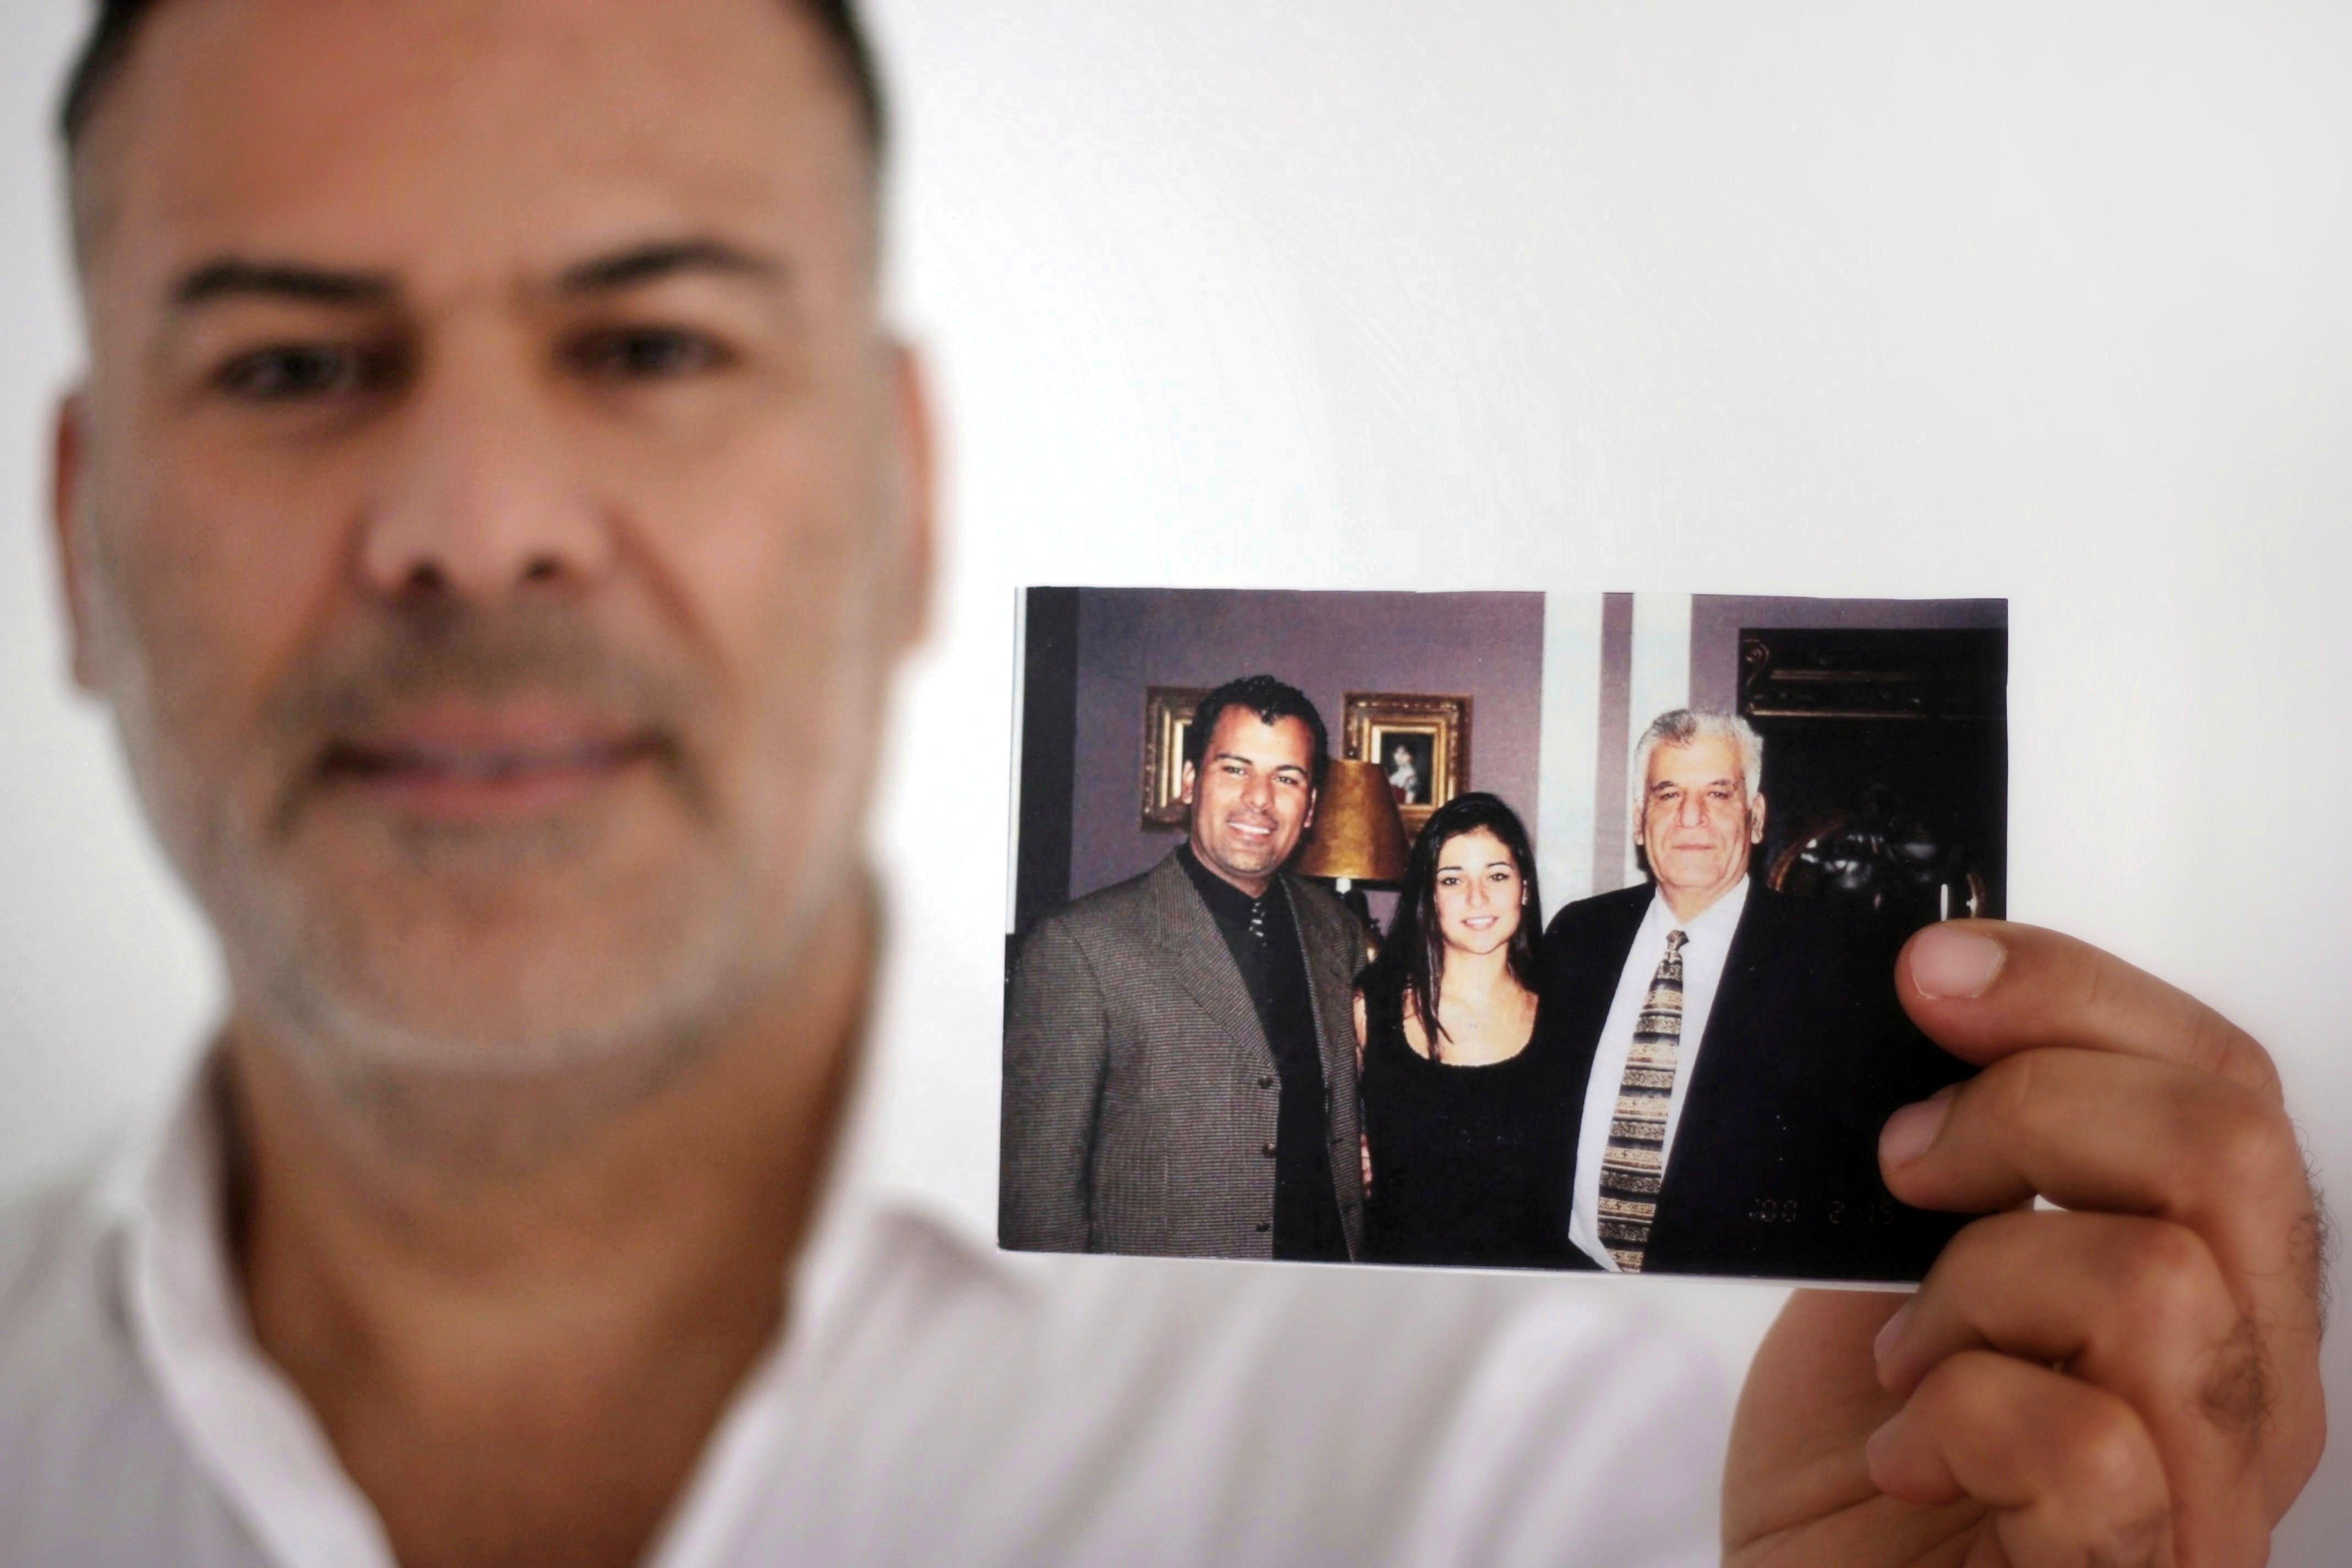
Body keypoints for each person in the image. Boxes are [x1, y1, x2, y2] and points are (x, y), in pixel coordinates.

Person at [0, 2, 2324, 1565]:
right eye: (292, 358)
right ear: (74, 535)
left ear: (904, 499)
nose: (476, 515)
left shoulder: (1563, 1490)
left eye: (647, 342)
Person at [1547, 709, 1973, 1280]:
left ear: (1755, 817)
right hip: (1572, 1284)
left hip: (1741, 1303)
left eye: (1718, 794)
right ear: (1639, 820)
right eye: (1668, 793)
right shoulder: (1579, 935)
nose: (1690, 816)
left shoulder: (1843, 959)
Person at [1000, 674, 1366, 1260]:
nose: (1260, 798)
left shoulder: (1338, 933)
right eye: (1236, 768)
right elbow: (1039, 1198)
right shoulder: (1079, 947)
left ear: (1312, 806)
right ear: (1190, 780)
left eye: (1287, 778)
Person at [1356, 792, 1577, 1269]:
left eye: (1497, 875)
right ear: (1429, 896)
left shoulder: (1572, 1016)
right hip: (1403, 1301)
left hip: (1531, 1304)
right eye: (1453, 880)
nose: (1477, 898)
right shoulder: (1368, 1011)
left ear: (1524, 888)